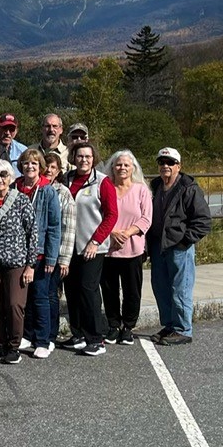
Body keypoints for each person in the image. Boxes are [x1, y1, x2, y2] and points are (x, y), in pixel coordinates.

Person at [58, 142, 118, 356]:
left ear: (94, 159)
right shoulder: (66, 179)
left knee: (88, 290)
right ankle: (78, 334)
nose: (84, 160)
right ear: (73, 158)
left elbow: (111, 215)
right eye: (80, 156)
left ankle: (96, 338)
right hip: (69, 246)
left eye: (88, 157)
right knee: (72, 291)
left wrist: (96, 241)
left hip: (91, 247)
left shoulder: (102, 182)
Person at [148, 147, 211, 345]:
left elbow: (203, 221)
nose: (165, 166)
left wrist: (185, 241)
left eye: (170, 162)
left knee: (180, 288)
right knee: (161, 288)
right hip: (158, 246)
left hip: (179, 247)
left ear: (179, 166)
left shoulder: (188, 188)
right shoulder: (155, 186)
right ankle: (170, 326)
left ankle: (183, 329)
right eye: (162, 162)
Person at [0, 159, 36, 364]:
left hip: (17, 263)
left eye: (4, 175)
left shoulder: (21, 201)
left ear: (10, 177)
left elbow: (33, 232)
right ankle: (0, 344)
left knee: (14, 304)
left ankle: (14, 347)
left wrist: (30, 265)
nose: (0, 179)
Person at [14, 149, 65, 359]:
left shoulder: (47, 191)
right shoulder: (14, 187)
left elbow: (54, 226)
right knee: (24, 296)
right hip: (18, 252)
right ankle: (28, 334)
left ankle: (43, 340)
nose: (30, 167)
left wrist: (52, 257)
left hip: (41, 253)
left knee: (40, 296)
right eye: (26, 163)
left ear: (40, 167)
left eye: (34, 163)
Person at [101, 150, 152, 346]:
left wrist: (127, 233)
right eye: (118, 164)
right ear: (112, 167)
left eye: (126, 165)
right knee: (109, 290)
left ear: (133, 168)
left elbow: (146, 218)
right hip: (109, 249)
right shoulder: (106, 188)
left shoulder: (141, 190)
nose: (122, 168)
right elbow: (99, 214)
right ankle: (113, 325)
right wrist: (112, 232)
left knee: (132, 291)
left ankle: (128, 327)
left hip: (133, 249)